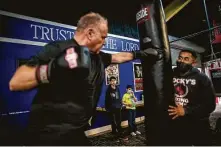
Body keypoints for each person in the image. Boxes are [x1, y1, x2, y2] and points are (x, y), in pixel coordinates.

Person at [9, 12, 153, 145]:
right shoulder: (59, 49)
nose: (105, 41)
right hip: (48, 135)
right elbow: (17, 81)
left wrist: (141, 53)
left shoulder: (99, 57)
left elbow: (118, 57)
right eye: (103, 37)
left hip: (76, 132)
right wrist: (52, 69)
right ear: (90, 33)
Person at [168, 49, 216, 146]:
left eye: (186, 59)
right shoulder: (171, 74)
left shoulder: (202, 78)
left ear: (193, 62)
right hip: (178, 123)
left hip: (198, 123)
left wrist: (186, 111)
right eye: (180, 58)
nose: (181, 61)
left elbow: (210, 105)